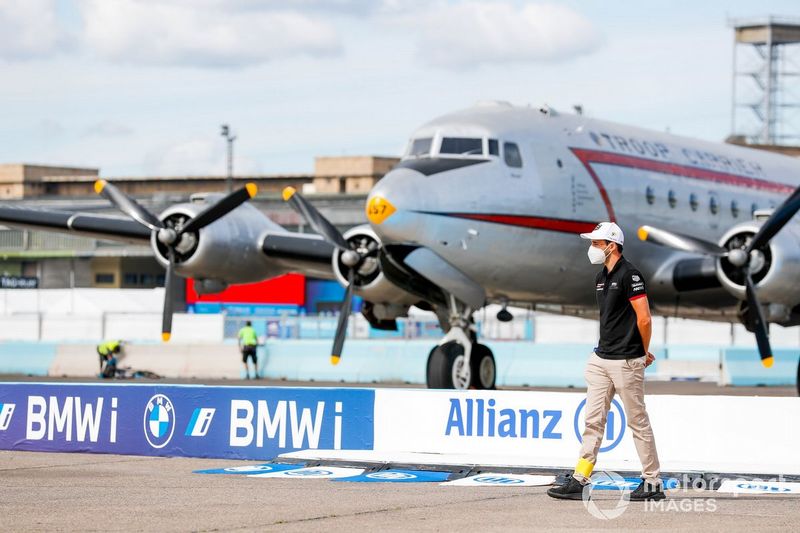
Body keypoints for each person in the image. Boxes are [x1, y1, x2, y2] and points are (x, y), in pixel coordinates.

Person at [548, 222, 665, 502]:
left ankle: (652, 483)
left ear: (611, 245)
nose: (592, 248)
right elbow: (614, 321)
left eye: (596, 243)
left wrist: (641, 351)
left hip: (626, 361)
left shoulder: (631, 275)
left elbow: (644, 318)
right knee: (593, 422)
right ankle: (580, 478)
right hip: (601, 360)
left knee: (638, 423)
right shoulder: (601, 277)